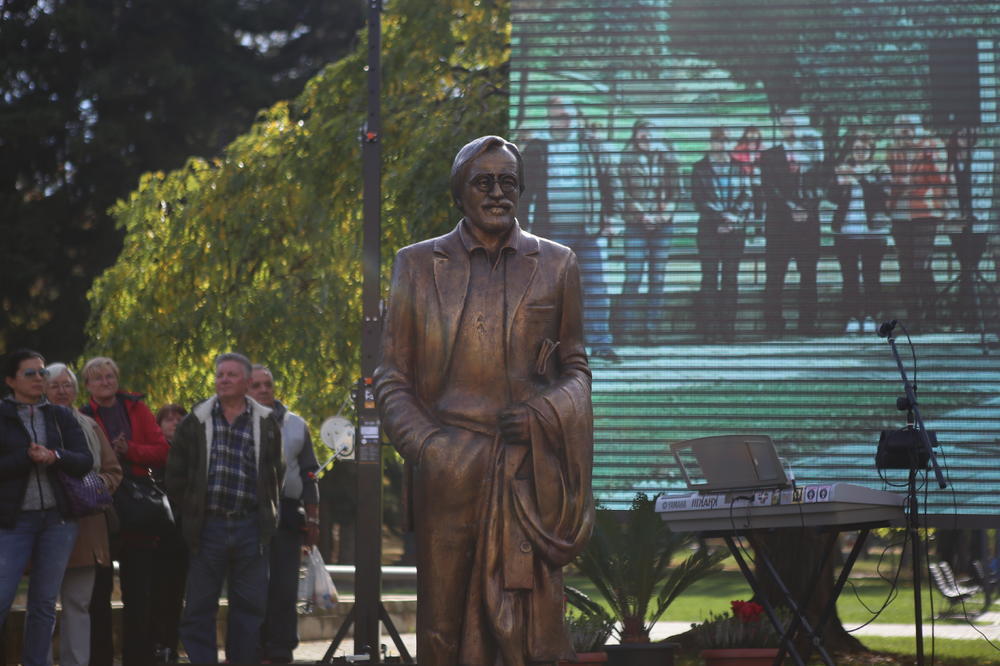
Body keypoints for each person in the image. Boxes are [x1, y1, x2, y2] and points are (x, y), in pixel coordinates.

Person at [374, 135, 595, 664]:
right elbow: (390, 374)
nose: (498, 193)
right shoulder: (417, 264)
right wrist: (428, 446)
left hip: (525, 468)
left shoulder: (557, 264)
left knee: (527, 627)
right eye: (484, 182)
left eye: (508, 182)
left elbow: (577, 368)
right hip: (447, 466)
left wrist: (544, 414)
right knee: (442, 623)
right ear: (460, 192)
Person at [165, 352, 284, 663]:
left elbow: (275, 473)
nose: (224, 380)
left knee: (250, 608)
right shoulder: (195, 421)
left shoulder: (266, 422)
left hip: (250, 526)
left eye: (232, 375)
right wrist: (192, 510)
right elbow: (175, 475)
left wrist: (266, 516)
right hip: (208, 527)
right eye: (220, 375)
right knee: (199, 607)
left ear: (246, 382)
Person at [0, 350, 92, 666]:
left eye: (42, 373)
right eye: (31, 374)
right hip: (12, 522)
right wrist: (24, 458)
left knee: (43, 603)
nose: (40, 378)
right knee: (1, 598)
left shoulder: (60, 415)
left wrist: (55, 457)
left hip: (58, 521)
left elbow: (84, 461)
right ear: (10, 380)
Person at [80, 356, 170, 666]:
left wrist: (129, 449)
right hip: (101, 512)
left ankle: (138, 658)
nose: (105, 382)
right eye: (98, 378)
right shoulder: (82, 416)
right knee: (98, 596)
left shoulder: (136, 408)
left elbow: (161, 452)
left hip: (138, 510)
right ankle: (100, 659)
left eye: (110, 376)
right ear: (88, 385)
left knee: (140, 596)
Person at [521, 97, 619, 361]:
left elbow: (608, 181)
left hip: (588, 229)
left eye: (567, 114)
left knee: (596, 286)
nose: (563, 119)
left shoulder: (591, 144)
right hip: (550, 231)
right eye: (558, 114)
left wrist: (610, 217)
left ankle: (601, 343)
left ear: (576, 115)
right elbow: (525, 192)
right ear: (549, 117)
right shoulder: (537, 147)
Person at [42, 363, 122, 666]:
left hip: (87, 526)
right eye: (54, 385)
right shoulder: (31, 424)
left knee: (78, 604)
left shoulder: (89, 425)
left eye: (67, 385)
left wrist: (95, 486)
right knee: (43, 603)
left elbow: (113, 470)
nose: (62, 391)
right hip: (45, 524)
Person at [248, 364, 320, 663]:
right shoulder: (234, 422)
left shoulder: (296, 425)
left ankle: (281, 649)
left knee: (284, 585)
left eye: (268, 384)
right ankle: (252, 647)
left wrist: (314, 519)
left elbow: (310, 474)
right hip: (247, 512)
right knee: (250, 584)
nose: (264, 390)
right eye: (257, 385)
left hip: (287, 512)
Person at [887, 113, 957, 324]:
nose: (904, 130)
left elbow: (940, 177)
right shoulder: (893, 150)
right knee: (905, 265)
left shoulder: (932, 145)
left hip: (925, 211)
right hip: (900, 213)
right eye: (900, 126)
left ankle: (931, 315)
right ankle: (913, 316)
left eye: (909, 126)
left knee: (921, 264)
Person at [760, 109, 824, 335]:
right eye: (787, 126)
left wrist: (805, 208)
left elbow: (823, 186)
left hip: (808, 226)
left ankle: (807, 324)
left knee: (808, 276)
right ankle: (773, 325)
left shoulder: (816, 155)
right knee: (775, 277)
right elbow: (769, 188)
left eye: (796, 125)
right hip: (779, 226)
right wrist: (791, 209)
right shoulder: (768, 156)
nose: (792, 130)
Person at [692, 126, 753, 340]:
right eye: (719, 140)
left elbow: (747, 196)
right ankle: (709, 330)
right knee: (709, 279)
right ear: (712, 142)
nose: (723, 144)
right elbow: (699, 200)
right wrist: (720, 218)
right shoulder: (699, 168)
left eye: (727, 139)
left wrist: (734, 217)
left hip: (734, 231)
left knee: (730, 278)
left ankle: (728, 329)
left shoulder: (739, 167)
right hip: (710, 230)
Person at [619, 119, 681, 314]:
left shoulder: (669, 157)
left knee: (657, 278)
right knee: (634, 275)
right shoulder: (626, 158)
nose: (647, 136)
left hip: (663, 225)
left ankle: (651, 330)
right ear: (636, 135)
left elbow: (677, 190)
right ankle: (624, 329)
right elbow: (622, 191)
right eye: (643, 132)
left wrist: (666, 213)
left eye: (652, 131)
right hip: (636, 225)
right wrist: (641, 214)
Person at [832, 132, 891, 334]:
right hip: (846, 231)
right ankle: (851, 316)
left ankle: (871, 316)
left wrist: (859, 178)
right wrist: (839, 185)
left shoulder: (880, 170)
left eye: (864, 149)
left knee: (871, 276)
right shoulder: (843, 169)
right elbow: (831, 197)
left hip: (873, 232)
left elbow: (883, 194)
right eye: (856, 149)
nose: (860, 153)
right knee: (849, 277)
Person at [945, 125, 997, 328]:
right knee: (965, 267)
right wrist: (955, 216)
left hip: (977, 220)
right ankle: (968, 316)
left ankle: (967, 316)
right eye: (961, 134)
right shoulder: (948, 158)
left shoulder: (984, 157)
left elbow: (987, 188)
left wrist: (974, 214)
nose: (965, 138)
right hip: (956, 221)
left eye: (969, 134)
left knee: (970, 268)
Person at [151, 403, 190, 663]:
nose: (174, 423)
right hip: (155, 535)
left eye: (179, 418)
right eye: (168, 419)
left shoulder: (191, 456)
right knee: (154, 592)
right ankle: (154, 643)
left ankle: (170, 646)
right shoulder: (151, 455)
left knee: (176, 594)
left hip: (182, 535)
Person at [730, 126, 765, 226]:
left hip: (757, 182)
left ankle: (758, 229)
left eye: (755, 133)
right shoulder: (739, 148)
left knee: (759, 205)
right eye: (750, 133)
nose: (753, 136)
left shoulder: (762, 148)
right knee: (744, 205)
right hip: (743, 181)